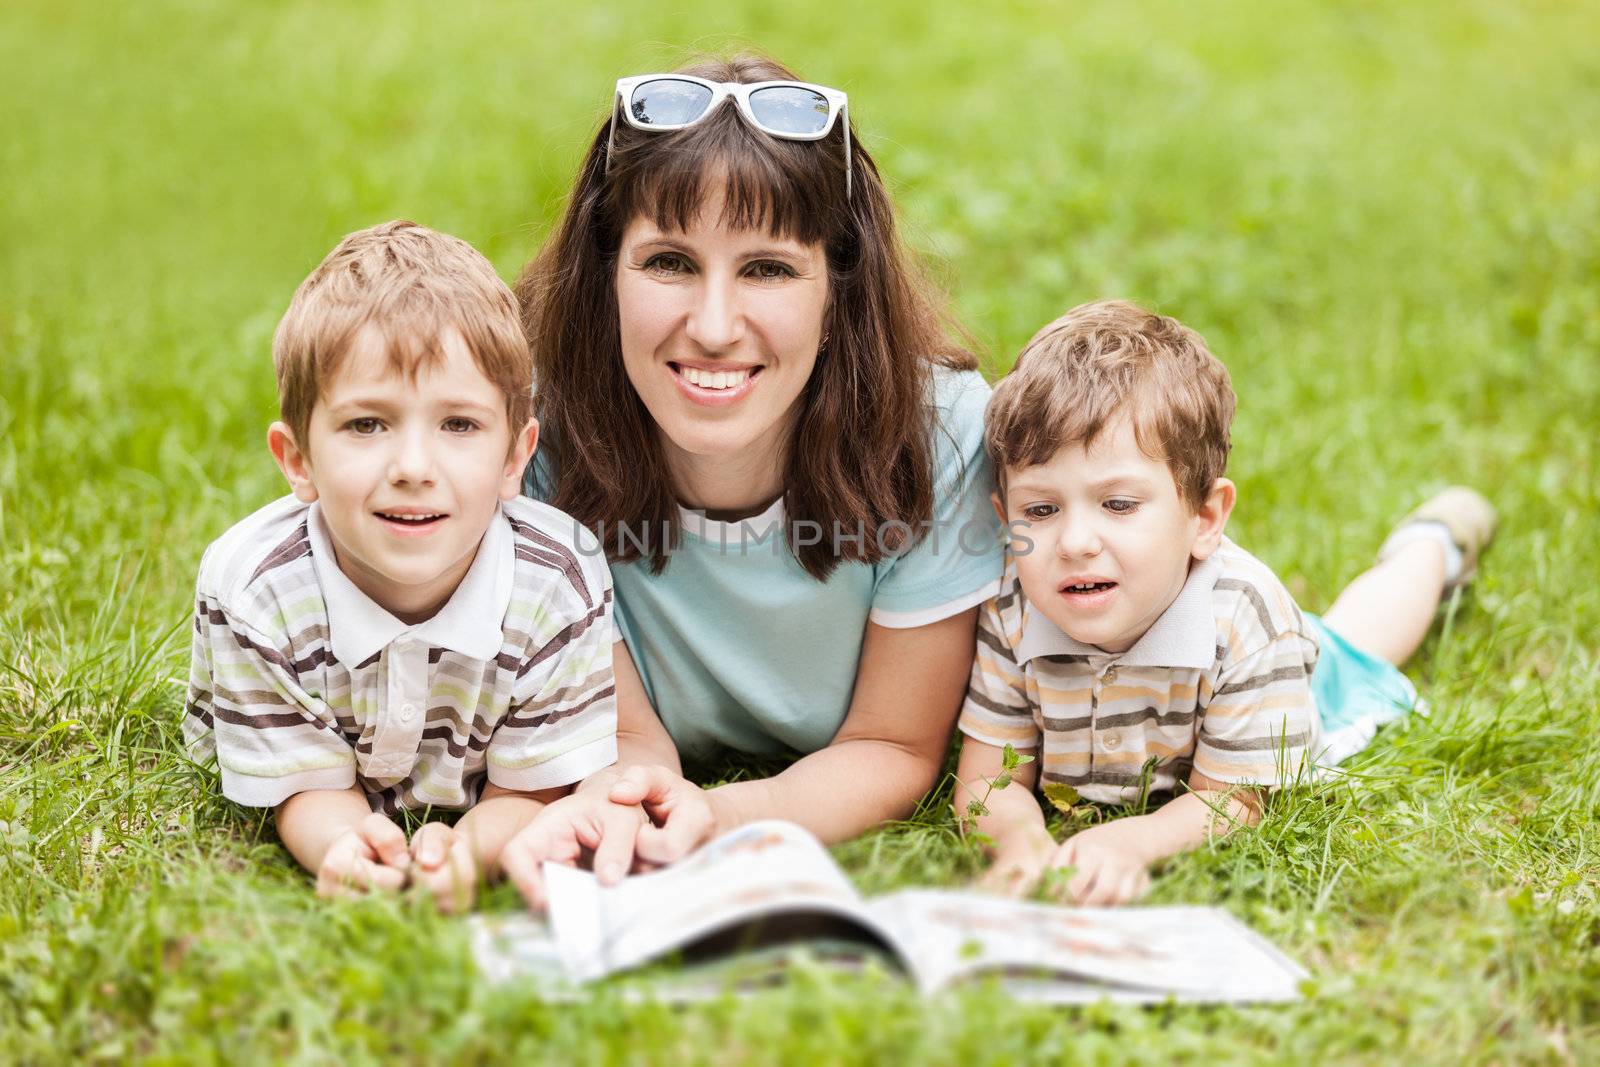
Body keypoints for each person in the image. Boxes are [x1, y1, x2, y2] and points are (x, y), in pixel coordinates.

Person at [501, 54, 1005, 906]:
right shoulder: (533, 443)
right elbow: (628, 734)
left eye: (768, 269)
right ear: (606, 271)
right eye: (668, 262)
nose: (713, 325)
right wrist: (630, 805)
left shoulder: (943, 438)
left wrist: (722, 813)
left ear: (837, 286)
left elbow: (894, 744)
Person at [953, 299, 1496, 905]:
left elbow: (1232, 801)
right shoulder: (1012, 607)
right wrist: (1020, 839)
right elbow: (986, 781)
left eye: (1120, 504)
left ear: (1205, 517)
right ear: (1007, 521)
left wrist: (1137, 840)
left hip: (1288, 676)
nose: (1076, 543)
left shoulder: (1247, 621)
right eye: (1041, 510)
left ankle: (1435, 543)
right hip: (1237, 662)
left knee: (1362, 634)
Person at [183, 221, 620, 910]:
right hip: (306, 761)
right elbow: (306, 783)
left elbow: (532, 784)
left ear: (516, 456)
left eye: (459, 425)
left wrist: (471, 850)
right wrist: (346, 845)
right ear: (297, 459)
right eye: (367, 425)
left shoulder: (558, 584)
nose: (414, 468)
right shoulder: (256, 592)